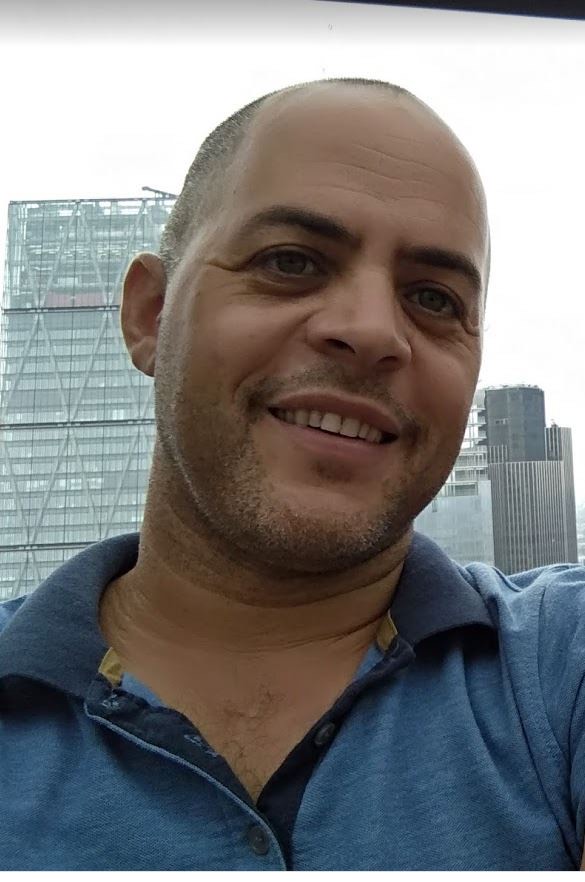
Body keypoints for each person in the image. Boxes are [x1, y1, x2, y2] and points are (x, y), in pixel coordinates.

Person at [0, 76, 584, 871]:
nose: (371, 331)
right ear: (149, 314)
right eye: (290, 261)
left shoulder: (557, 670)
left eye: (432, 298)